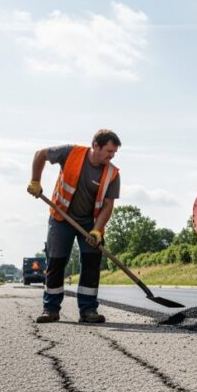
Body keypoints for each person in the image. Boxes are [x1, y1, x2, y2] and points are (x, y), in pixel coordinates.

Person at [26, 129, 121, 324]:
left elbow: (108, 205)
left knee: (92, 263)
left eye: (114, 153)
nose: (111, 156)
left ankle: (88, 311)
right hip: (61, 217)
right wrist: (35, 180)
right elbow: (40, 154)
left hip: (90, 223)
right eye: (109, 151)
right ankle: (50, 309)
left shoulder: (112, 174)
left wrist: (96, 230)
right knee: (56, 262)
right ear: (96, 145)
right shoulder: (70, 153)